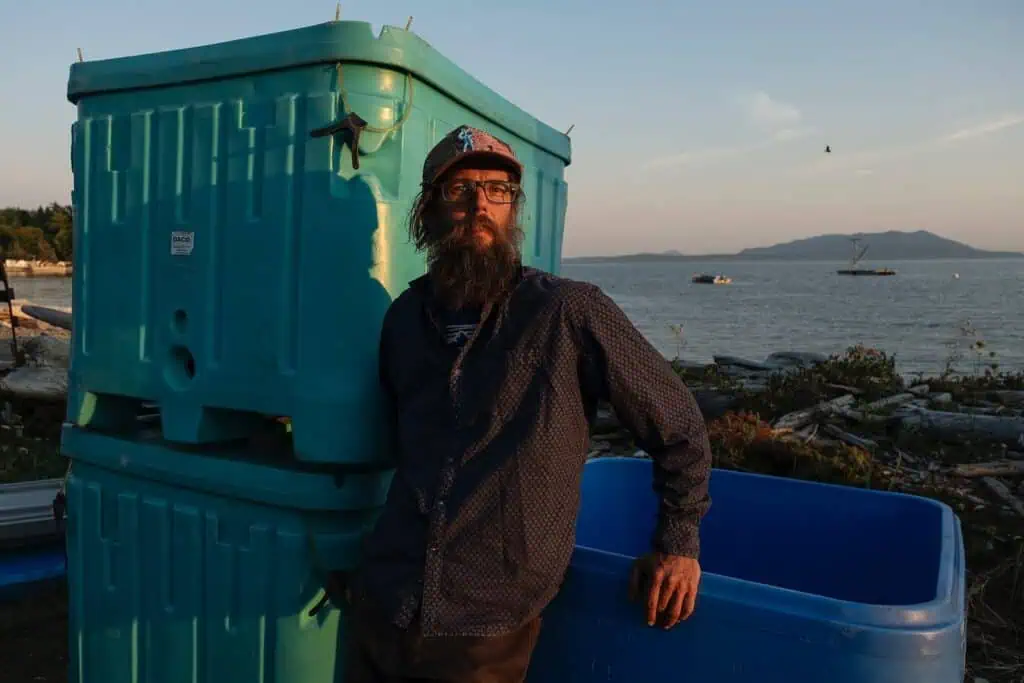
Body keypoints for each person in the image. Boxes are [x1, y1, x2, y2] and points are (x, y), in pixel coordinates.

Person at [343, 125, 713, 683]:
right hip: (385, 599)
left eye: (498, 191)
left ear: (515, 209)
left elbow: (679, 426)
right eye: (459, 191)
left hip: (487, 620)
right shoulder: (403, 319)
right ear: (427, 211)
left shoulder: (569, 312)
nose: (479, 207)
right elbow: (403, 443)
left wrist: (678, 543)